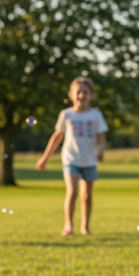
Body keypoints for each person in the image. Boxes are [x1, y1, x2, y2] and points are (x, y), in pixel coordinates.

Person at [36, 77, 108, 236]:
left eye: (86, 92)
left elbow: (101, 137)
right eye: (78, 92)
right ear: (71, 94)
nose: (82, 95)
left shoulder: (95, 115)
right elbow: (57, 137)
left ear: (91, 95)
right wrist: (44, 158)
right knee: (73, 191)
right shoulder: (66, 115)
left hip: (89, 160)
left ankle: (85, 226)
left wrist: (101, 150)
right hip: (71, 159)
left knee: (87, 195)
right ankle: (68, 225)